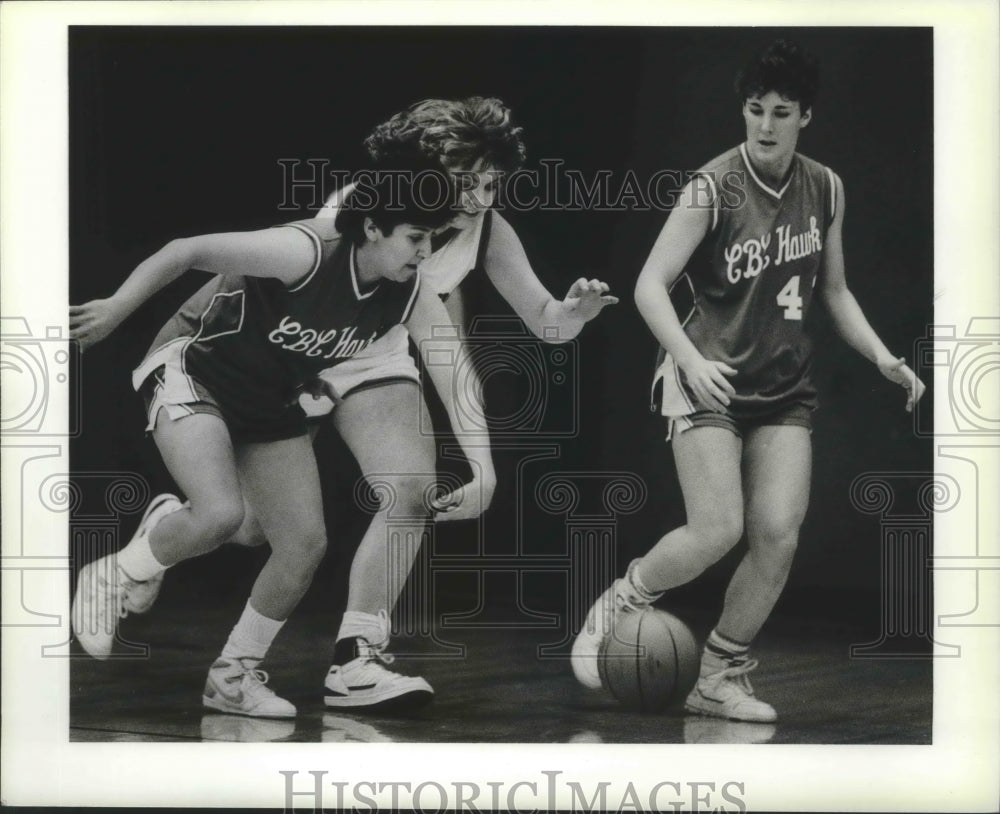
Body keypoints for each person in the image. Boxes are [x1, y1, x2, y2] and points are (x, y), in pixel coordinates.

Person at [570, 39, 926, 722]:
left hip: (783, 386)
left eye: (781, 112)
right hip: (708, 378)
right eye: (755, 109)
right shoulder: (713, 185)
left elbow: (838, 290)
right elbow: (648, 285)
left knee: (778, 534)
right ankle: (625, 597)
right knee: (716, 528)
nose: (765, 125)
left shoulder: (826, 187)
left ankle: (719, 676)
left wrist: (884, 357)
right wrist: (691, 360)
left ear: (806, 116)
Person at [70, 162, 494, 718]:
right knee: (221, 514)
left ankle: (230, 677)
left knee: (300, 545)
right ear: (371, 228)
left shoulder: (410, 291)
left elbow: (454, 371)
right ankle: (118, 571)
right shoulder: (304, 251)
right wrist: (116, 308)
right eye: (415, 238)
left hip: (269, 398)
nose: (425, 252)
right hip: (195, 368)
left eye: (433, 240)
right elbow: (184, 250)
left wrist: (483, 469)